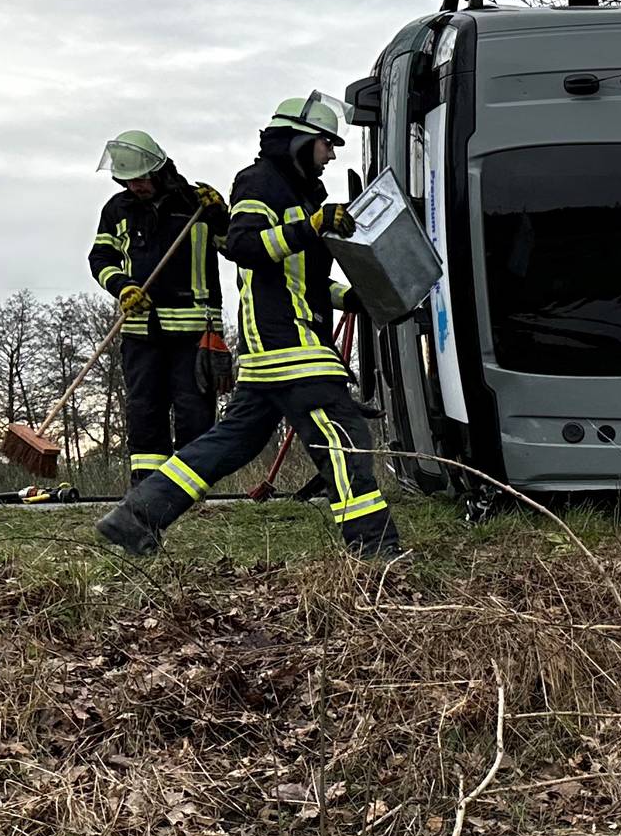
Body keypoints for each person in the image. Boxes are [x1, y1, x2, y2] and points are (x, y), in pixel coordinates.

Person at [96, 96, 401, 558]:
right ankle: (376, 549)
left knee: (229, 444)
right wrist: (311, 227)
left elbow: (301, 279)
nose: (331, 155)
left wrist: (352, 297)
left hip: (276, 348)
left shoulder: (302, 195)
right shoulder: (260, 182)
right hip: (289, 343)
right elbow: (244, 246)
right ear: (300, 141)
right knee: (344, 440)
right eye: (327, 144)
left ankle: (135, 517)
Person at [87, 131, 228, 488]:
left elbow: (234, 246)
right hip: (141, 332)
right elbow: (100, 258)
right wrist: (123, 287)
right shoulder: (117, 210)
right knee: (144, 413)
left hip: (195, 334)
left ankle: (190, 491)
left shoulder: (196, 204)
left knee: (195, 415)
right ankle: (148, 492)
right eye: (128, 180)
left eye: (140, 178)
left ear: (159, 170)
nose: (135, 186)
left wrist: (220, 214)